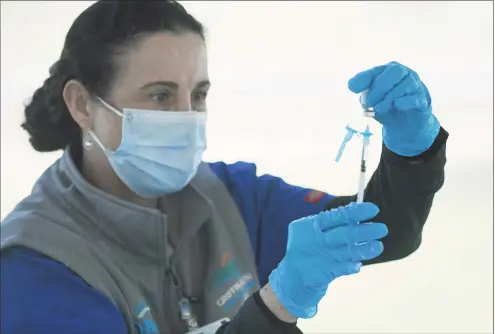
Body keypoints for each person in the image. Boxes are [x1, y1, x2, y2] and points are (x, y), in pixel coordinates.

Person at [0, 1, 448, 334]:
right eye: (160, 95)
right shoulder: (36, 266)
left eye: (197, 95)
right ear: (82, 105)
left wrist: (412, 150)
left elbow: (381, 231)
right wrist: (277, 306)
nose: (186, 117)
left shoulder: (228, 197)